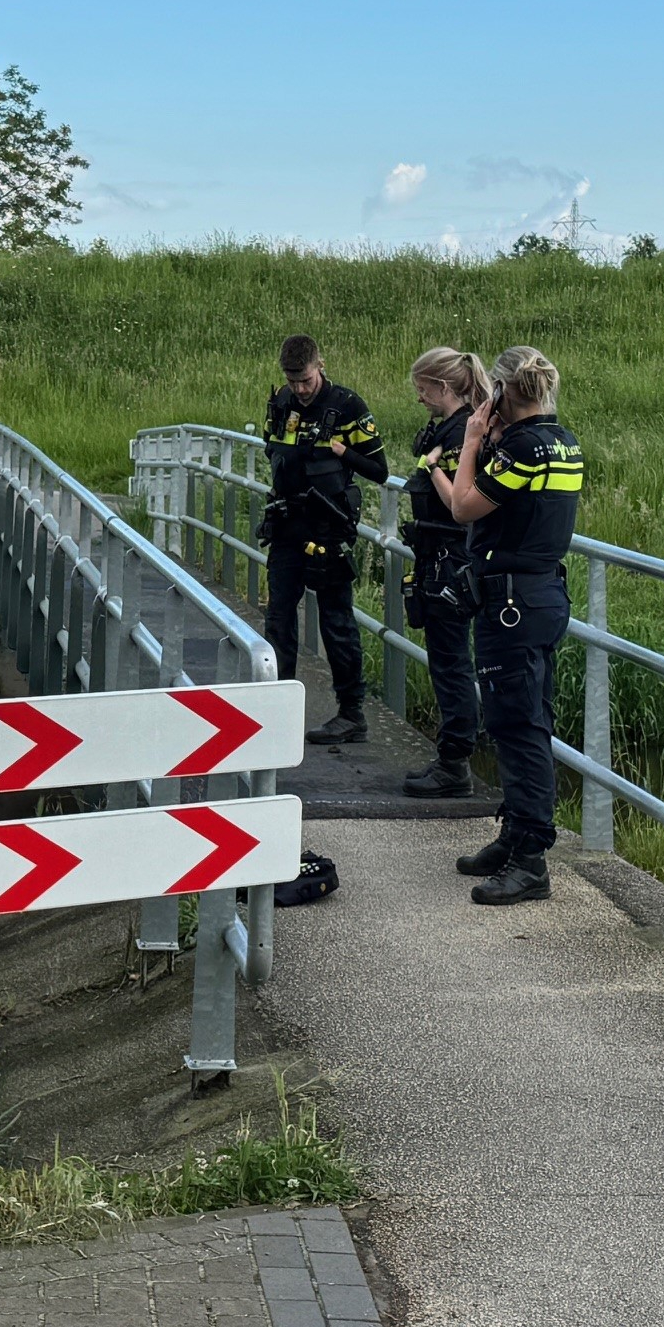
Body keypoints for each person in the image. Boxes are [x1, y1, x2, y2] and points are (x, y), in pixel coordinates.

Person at [429, 345, 583, 905]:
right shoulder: (563, 441)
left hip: (512, 604)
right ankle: (516, 833)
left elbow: (464, 507)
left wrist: (472, 439)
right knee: (524, 718)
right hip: (540, 596)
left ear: (498, 394)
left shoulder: (521, 449)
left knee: (518, 729)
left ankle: (531, 859)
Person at [259, 334, 386, 745]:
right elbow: (271, 449)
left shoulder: (349, 406)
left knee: (336, 621)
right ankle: (277, 710)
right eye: (293, 382)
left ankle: (351, 714)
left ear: (321, 366)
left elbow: (379, 470)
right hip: (286, 524)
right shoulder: (280, 403)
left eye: (307, 381)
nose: (300, 389)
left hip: (328, 528)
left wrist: (342, 453)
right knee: (278, 617)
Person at [396, 347, 490, 798]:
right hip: (438, 558)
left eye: (422, 390)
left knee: (452, 663)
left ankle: (455, 762)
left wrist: (431, 468)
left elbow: (461, 507)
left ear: (443, 387)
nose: (420, 399)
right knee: (445, 660)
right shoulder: (452, 429)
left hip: (450, 560)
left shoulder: (462, 434)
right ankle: (452, 756)